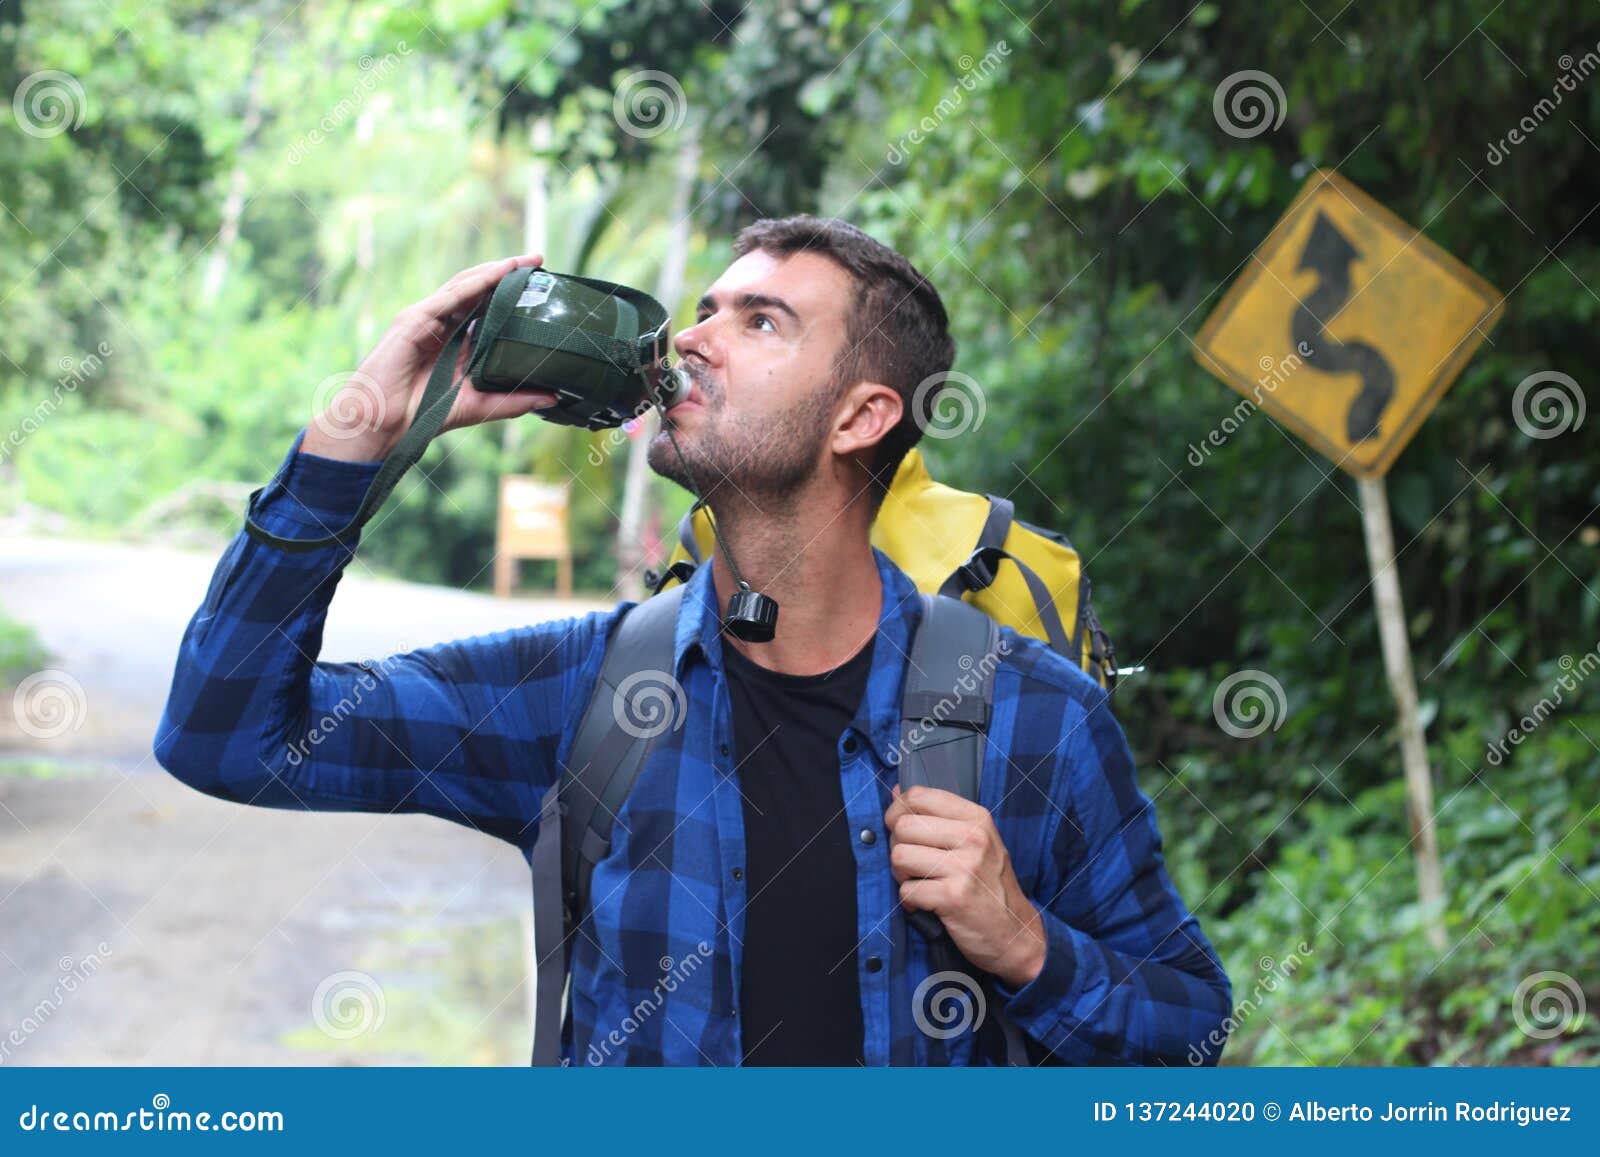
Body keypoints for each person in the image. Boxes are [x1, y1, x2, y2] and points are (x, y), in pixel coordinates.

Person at [154, 215, 1232, 1066]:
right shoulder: (585, 689)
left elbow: (1190, 1027)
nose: (690, 339)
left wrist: (1028, 946)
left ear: (861, 416)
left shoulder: (1032, 716)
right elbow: (229, 737)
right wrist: (351, 438)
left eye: (759, 322)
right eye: (706, 307)